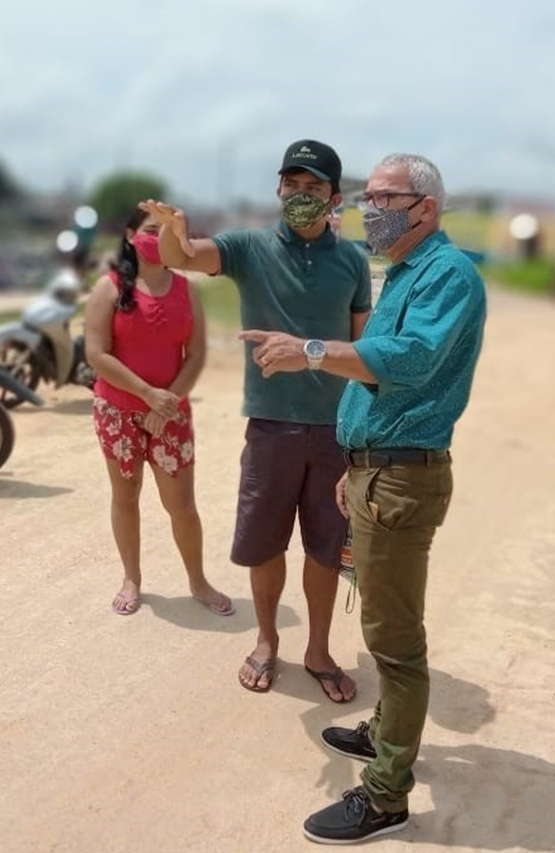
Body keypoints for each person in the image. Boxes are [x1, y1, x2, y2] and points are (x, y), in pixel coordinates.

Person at [239, 153, 486, 843]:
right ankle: (384, 734)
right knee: (381, 623)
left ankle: (385, 796)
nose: (366, 208)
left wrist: (310, 349)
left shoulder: (449, 275)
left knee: (393, 644)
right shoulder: (406, 272)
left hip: (404, 477)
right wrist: (355, 470)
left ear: (425, 208)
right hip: (378, 472)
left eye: (383, 197)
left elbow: (408, 359)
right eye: (367, 196)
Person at [141, 138, 371, 703]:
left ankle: (317, 649)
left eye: (313, 187)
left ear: (334, 198)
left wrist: (364, 428)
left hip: (334, 429)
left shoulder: (352, 262)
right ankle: (267, 641)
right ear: (278, 189)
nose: (300, 195)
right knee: (267, 545)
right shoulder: (248, 248)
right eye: (291, 185)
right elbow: (181, 258)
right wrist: (175, 229)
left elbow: (364, 347)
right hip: (271, 427)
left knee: (323, 547)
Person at [83, 206, 234, 618]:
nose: (157, 238)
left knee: (182, 506)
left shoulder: (189, 290)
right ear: (130, 235)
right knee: (125, 497)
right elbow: (97, 354)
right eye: (151, 230)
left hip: (171, 415)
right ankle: (131, 578)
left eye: (167, 231)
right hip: (119, 411)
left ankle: (198, 582)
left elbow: (197, 354)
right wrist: (148, 394)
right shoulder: (109, 289)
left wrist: (166, 403)